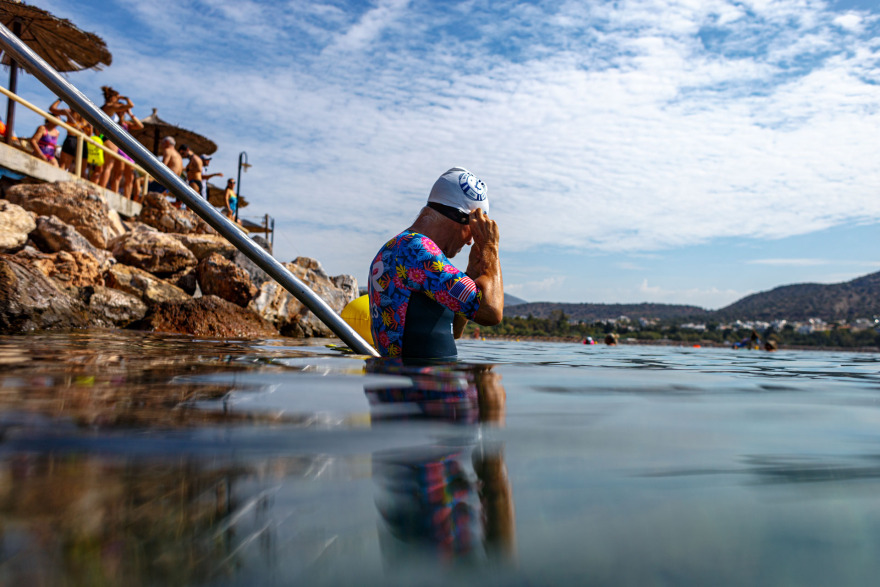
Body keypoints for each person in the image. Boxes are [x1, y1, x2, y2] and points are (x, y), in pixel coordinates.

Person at [368, 167, 503, 359]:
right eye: (472, 231)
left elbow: (453, 331)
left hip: (406, 379)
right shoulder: (416, 249)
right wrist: (491, 248)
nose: (470, 241)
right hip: (422, 384)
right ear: (458, 218)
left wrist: (472, 273)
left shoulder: (399, 248)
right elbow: (491, 313)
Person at [48, 99, 89, 172]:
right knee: (81, 171)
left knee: (63, 166)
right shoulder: (86, 116)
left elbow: (52, 109)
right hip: (83, 142)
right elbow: (90, 133)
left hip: (71, 139)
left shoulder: (70, 112)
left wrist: (60, 99)